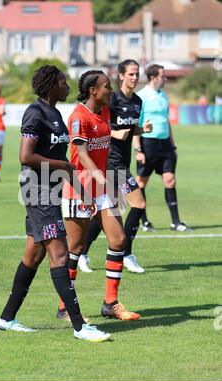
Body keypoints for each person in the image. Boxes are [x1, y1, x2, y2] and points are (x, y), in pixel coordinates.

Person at [0, 65, 110, 342]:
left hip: (51, 191)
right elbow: (26, 156)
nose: (66, 84)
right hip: (37, 192)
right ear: (50, 86)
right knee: (60, 255)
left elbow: (65, 167)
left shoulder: (56, 114)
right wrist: (63, 166)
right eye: (61, 81)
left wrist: (81, 192)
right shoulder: (35, 113)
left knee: (33, 255)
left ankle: (6, 318)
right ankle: (80, 326)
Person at [59, 69, 141, 321]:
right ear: (93, 91)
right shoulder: (78, 116)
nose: (111, 90)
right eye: (107, 86)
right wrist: (101, 177)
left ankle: (111, 304)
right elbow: (81, 153)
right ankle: (64, 306)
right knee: (75, 247)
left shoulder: (105, 111)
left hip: (100, 189)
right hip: (79, 189)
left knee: (118, 240)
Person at [78, 60, 153, 275]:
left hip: (123, 161)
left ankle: (82, 252)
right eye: (130, 73)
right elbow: (100, 127)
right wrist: (114, 134)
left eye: (136, 73)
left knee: (105, 209)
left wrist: (141, 129)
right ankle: (126, 254)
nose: (134, 77)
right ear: (120, 76)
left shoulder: (137, 101)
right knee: (138, 203)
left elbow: (128, 129)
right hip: (111, 162)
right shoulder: (111, 99)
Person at [135, 64, 192, 232]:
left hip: (165, 145)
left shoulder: (164, 96)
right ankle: (144, 221)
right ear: (153, 77)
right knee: (141, 183)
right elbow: (136, 126)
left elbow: (166, 121)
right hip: (148, 144)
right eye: (162, 75)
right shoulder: (141, 97)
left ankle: (176, 222)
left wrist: (172, 145)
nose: (165, 78)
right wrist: (138, 150)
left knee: (170, 180)